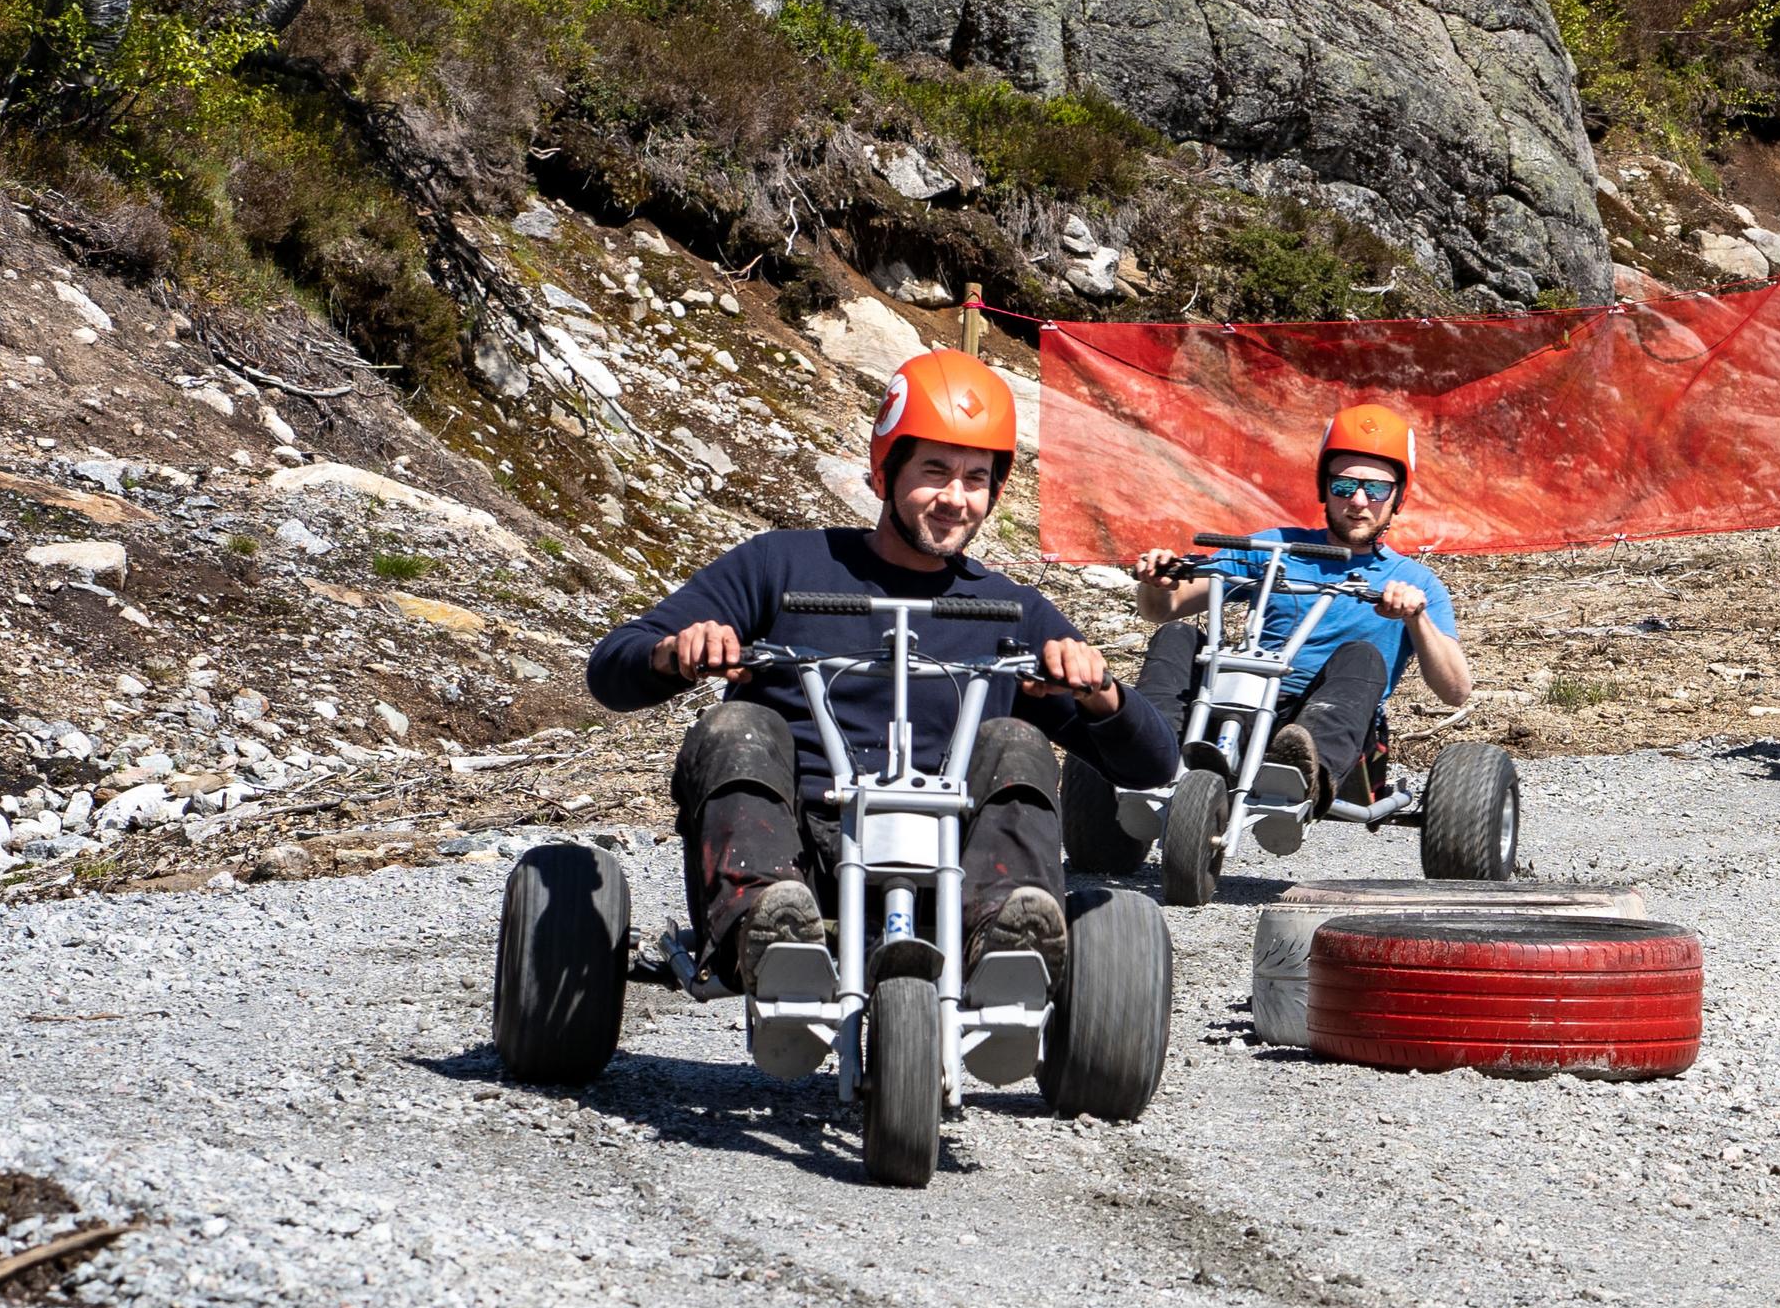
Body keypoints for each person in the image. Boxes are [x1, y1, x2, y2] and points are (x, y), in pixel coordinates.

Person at [585, 349, 1177, 993]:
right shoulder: (780, 566)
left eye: (976, 479)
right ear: (884, 471)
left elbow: (1152, 765)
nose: (955, 498)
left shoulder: (1014, 612)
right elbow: (611, 669)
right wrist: (676, 652)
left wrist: (1100, 694)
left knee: (1016, 740)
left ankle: (1011, 940)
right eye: (934, 471)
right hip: (796, 860)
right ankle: (764, 924)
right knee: (737, 724)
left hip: (959, 872)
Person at [1128, 402, 1470, 817]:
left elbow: (1455, 692)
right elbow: (1164, 610)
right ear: (1324, 488)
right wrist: (1157, 583)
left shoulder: (1415, 582)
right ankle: (1148, 752)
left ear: (1397, 497)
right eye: (1344, 486)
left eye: (1377, 489)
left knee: (1362, 655)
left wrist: (1416, 618)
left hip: (1331, 722)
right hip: (1241, 701)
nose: (1359, 501)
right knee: (1177, 636)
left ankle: (1301, 770)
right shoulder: (1275, 547)